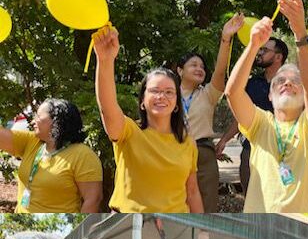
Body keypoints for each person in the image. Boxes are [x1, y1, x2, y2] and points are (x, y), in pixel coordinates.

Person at [225, 0, 308, 212]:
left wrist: (301, 33)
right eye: (280, 81)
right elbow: (233, 92)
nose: (287, 83)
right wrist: (253, 46)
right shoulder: (261, 123)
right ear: (270, 96)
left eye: (295, 81)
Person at [94, 27, 204, 212]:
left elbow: (192, 192)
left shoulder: (188, 142)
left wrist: (201, 230)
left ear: (177, 103)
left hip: (175, 229)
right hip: (130, 228)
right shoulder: (127, 131)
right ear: (143, 101)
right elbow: (107, 107)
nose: (161, 96)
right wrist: (105, 60)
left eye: (169, 92)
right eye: (154, 91)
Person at [176, 13, 243, 212]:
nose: (199, 69)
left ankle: (205, 238)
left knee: (206, 206)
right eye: (193, 65)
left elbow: (220, 72)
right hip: (173, 153)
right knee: (176, 204)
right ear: (180, 71)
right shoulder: (167, 94)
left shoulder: (208, 94)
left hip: (203, 154)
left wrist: (226, 38)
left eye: (202, 67)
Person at [0, 98, 102, 212]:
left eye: (38, 117)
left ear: (56, 121)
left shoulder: (82, 155)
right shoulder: (32, 141)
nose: (33, 121)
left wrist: (83, 229)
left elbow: (93, 200)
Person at [241, 36, 288, 192]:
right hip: (251, 146)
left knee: (281, 197)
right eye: (260, 49)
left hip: (282, 151)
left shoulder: (291, 84)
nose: (259, 53)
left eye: (265, 50)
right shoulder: (252, 82)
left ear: (278, 57)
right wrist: (224, 141)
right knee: (251, 196)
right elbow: (242, 114)